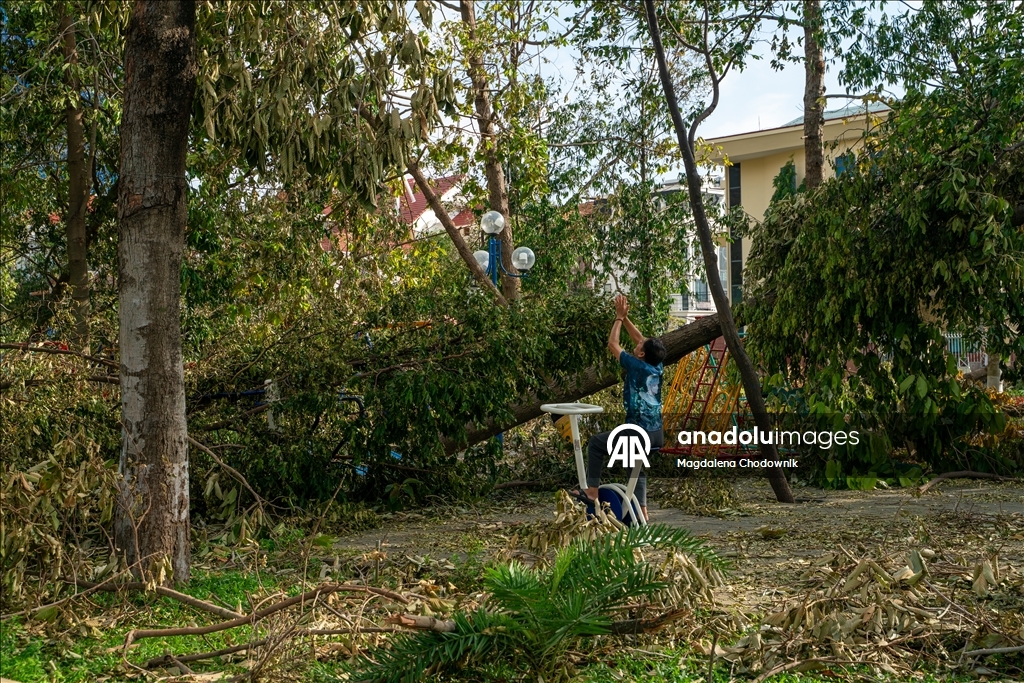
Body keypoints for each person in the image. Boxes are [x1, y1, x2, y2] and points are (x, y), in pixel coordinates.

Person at [572, 294, 666, 521]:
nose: (637, 342)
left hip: (637, 432)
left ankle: (591, 490)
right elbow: (641, 338)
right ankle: (642, 509)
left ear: (641, 354)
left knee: (595, 444)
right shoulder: (657, 364)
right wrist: (625, 318)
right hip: (655, 434)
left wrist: (617, 319)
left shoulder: (636, 366)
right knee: (634, 462)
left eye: (640, 345)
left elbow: (612, 344)